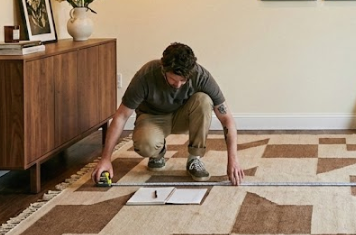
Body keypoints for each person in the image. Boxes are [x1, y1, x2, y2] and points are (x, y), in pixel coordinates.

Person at [92, 42, 244, 186]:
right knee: (145, 146)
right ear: (163, 69)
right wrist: (105, 159)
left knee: (204, 100)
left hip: (183, 116)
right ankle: (158, 152)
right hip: (153, 117)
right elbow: (121, 116)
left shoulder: (200, 75)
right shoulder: (146, 75)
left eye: (183, 80)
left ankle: (194, 158)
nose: (178, 85)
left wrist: (233, 160)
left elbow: (227, 119)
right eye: (173, 79)